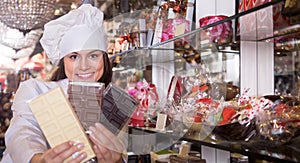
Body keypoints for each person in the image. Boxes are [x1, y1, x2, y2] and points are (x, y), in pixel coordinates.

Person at [1, 3, 126, 163]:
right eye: (74, 57)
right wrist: (38, 159)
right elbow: (23, 132)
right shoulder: (36, 90)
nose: (84, 65)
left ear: (104, 59)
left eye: (93, 56)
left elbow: (120, 147)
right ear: (63, 62)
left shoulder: (115, 103)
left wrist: (117, 160)